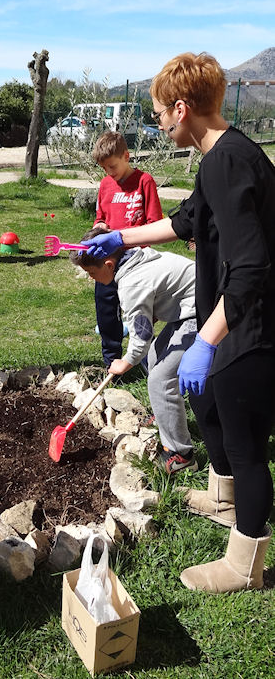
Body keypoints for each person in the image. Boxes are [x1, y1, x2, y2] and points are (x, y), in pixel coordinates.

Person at [82, 52, 275, 593]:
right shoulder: (219, 156)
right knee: (209, 404)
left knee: (245, 442)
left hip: (250, 324)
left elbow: (252, 265)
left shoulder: (228, 162)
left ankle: (245, 564)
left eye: (160, 113)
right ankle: (222, 496)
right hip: (229, 315)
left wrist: (207, 341)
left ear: (181, 108)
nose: (160, 123)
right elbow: (186, 221)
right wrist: (120, 238)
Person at [72, 229, 198, 474]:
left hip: (205, 312)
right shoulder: (136, 259)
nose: (90, 278)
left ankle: (182, 456)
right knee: (153, 359)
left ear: (109, 265)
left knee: (160, 380)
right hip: (188, 308)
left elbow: (141, 339)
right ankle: (166, 416)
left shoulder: (132, 284)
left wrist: (125, 362)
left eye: (91, 272)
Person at [90, 132, 162, 368]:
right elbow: (100, 217)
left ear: (126, 156)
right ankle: (111, 361)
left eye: (112, 166)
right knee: (105, 308)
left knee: (138, 311)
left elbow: (155, 224)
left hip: (136, 260)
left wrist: (129, 238)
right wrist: (100, 227)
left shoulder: (144, 182)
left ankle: (142, 358)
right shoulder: (105, 185)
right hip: (108, 260)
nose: (109, 172)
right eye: (104, 168)